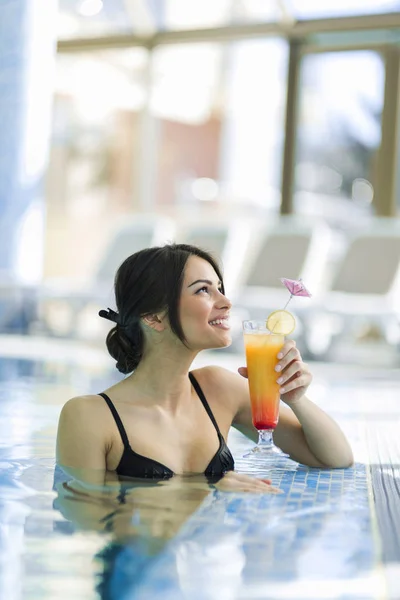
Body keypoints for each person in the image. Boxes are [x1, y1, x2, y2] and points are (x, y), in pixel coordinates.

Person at [56, 243, 353, 492]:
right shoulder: (89, 416)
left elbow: (334, 458)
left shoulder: (218, 389)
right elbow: (86, 518)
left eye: (220, 289)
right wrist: (204, 489)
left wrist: (295, 398)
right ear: (153, 318)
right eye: (203, 291)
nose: (226, 302)